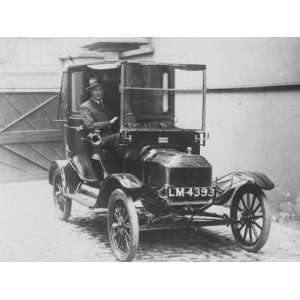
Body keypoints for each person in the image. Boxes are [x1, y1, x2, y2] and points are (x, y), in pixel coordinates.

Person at [80, 78, 119, 148]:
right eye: (95, 90)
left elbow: (113, 120)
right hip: (98, 138)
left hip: (110, 135)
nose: (98, 92)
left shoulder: (105, 105)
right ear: (91, 92)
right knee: (119, 137)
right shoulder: (85, 106)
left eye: (100, 90)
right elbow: (90, 125)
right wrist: (109, 122)